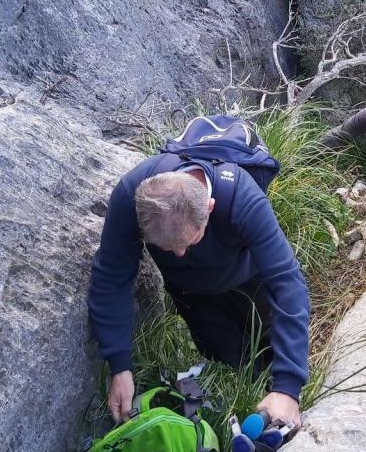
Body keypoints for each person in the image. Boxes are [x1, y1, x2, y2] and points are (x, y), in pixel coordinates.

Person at [86, 143, 308, 430]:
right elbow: (111, 278)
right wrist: (120, 366)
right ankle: (255, 402)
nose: (179, 254)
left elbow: (287, 283)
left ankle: (285, 400)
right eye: (167, 248)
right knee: (230, 359)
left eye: (189, 242)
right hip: (193, 294)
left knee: (271, 344)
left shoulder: (241, 197)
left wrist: (288, 387)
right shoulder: (130, 195)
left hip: (251, 281)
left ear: (209, 208)